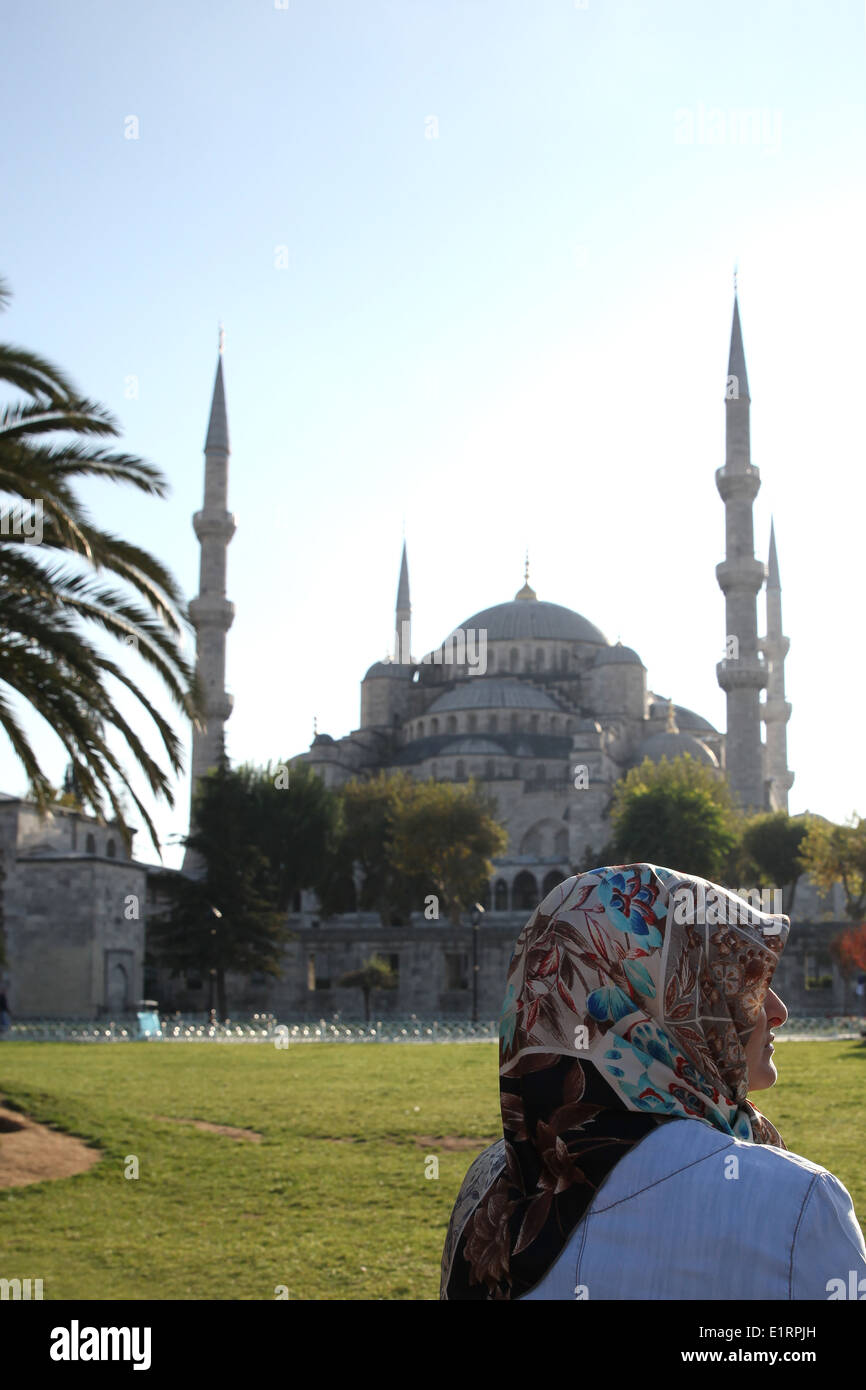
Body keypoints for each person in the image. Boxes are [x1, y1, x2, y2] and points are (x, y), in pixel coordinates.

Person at [440, 863, 866, 1300]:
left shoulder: (491, 1186)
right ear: (674, 1000)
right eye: (746, 981)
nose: (778, 1011)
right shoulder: (797, 1207)